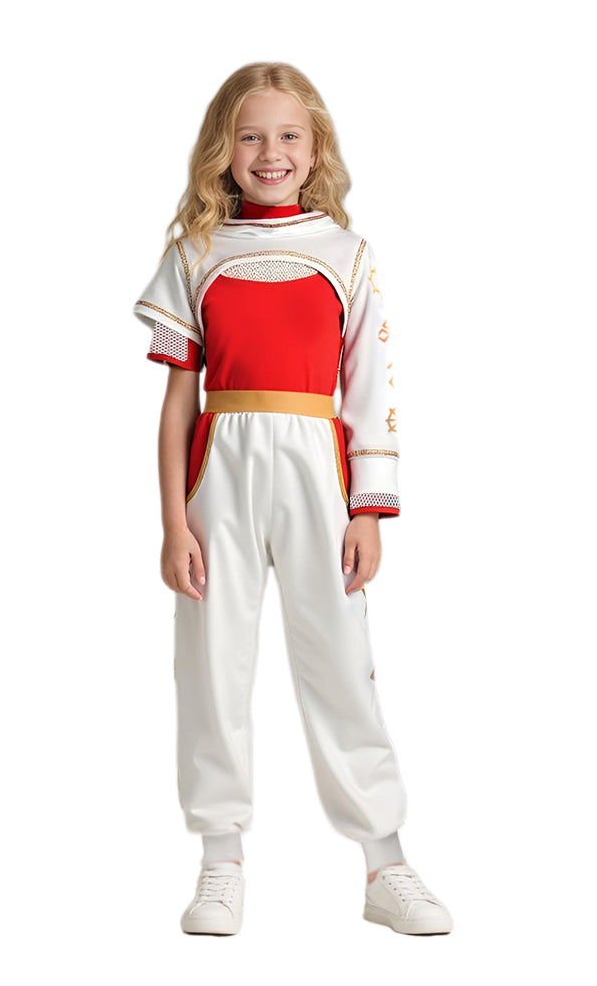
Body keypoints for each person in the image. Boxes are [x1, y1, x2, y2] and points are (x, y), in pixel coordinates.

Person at [133, 62, 453, 937]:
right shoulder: (193, 256)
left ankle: (385, 863)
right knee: (212, 662)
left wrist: (368, 509)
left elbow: (370, 388)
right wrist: (173, 523)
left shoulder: (347, 255)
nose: (269, 152)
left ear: (315, 151)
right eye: (250, 136)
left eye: (287, 136)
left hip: (320, 472)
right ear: (223, 149)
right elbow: (177, 405)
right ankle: (220, 861)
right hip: (220, 473)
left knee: (340, 660)